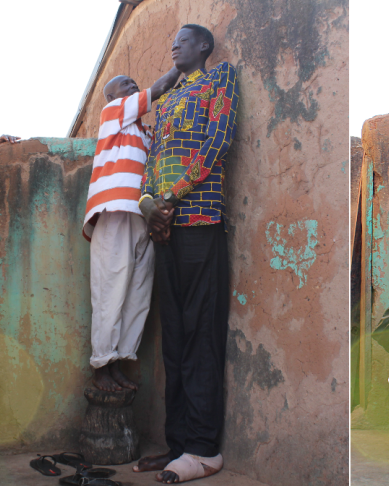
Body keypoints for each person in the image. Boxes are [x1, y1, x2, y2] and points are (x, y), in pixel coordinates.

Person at [132, 24, 239, 484]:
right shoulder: (172, 96)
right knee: (174, 336)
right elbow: (152, 158)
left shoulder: (221, 80)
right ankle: (178, 444)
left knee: (200, 334)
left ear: (204, 47)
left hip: (199, 221)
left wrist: (171, 199)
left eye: (182, 39)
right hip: (164, 228)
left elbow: (218, 141)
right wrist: (148, 206)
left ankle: (202, 448)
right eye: (171, 38)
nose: (172, 44)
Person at [84, 68, 180, 392]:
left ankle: (120, 361)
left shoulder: (143, 133)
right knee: (111, 292)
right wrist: (182, 63)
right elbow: (162, 86)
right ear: (112, 97)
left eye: (132, 82)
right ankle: (101, 366)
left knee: (137, 295)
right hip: (115, 213)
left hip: (142, 219)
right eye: (124, 84)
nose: (132, 84)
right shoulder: (113, 113)